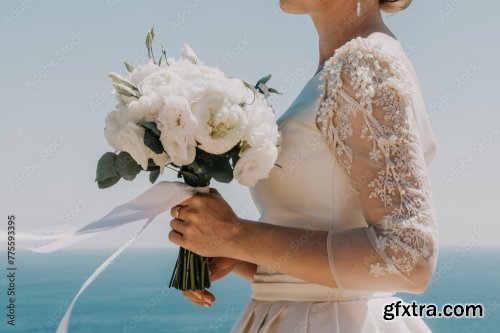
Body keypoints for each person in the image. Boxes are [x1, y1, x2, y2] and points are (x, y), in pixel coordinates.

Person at [169, 0, 439, 331]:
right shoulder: (342, 65)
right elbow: (330, 264)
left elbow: (408, 258)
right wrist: (232, 248)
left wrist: (236, 235)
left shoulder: (365, 64)